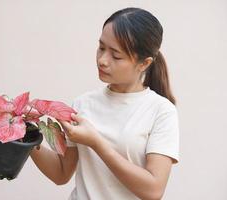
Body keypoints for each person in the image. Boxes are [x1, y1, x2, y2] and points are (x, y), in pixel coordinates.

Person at [33, 7, 180, 200]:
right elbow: (61, 174)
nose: (102, 60)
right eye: (101, 48)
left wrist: (96, 142)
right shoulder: (82, 104)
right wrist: (26, 138)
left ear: (144, 63)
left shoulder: (161, 111)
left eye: (116, 55)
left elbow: (153, 190)